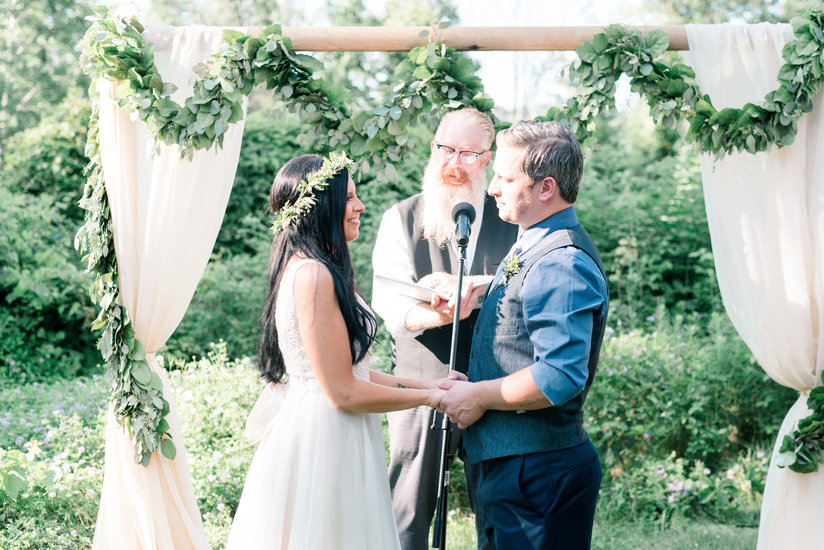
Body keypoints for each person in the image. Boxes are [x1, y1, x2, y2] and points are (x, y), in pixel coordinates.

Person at [226, 153, 454, 550]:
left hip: (339, 426)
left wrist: (434, 384)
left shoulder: (318, 268)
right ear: (321, 206)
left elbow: (355, 372)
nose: (360, 206)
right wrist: (431, 398)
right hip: (323, 435)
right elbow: (343, 391)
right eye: (348, 197)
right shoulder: (312, 275)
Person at [438, 120, 609, 550]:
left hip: (537, 476)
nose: (492, 188)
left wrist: (478, 396)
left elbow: (558, 376)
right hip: (512, 468)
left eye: (505, 178)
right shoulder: (533, 242)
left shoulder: (560, 260)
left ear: (545, 188)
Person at [371, 108, 518, 550]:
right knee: (408, 512)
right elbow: (391, 307)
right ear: (433, 148)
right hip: (420, 384)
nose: (453, 163)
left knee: (496, 507)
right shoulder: (399, 218)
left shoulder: (512, 217)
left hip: (495, 383)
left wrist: (484, 286)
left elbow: (532, 278)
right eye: (445, 149)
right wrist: (438, 313)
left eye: (467, 153)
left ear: (487, 158)